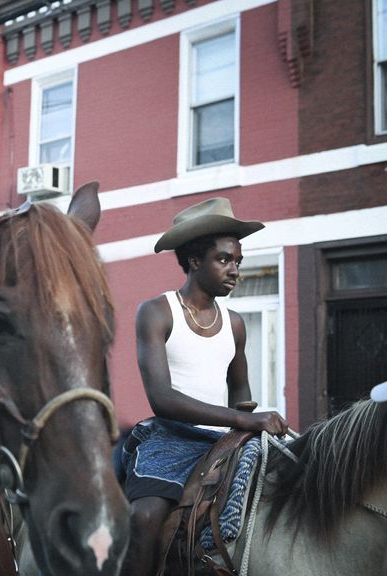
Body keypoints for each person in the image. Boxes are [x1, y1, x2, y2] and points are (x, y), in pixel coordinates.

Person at [120, 198, 289, 576]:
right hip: (169, 438)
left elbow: (241, 396)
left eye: (238, 261)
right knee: (145, 517)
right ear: (195, 261)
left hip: (223, 444)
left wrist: (248, 425)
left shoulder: (236, 323)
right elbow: (161, 399)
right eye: (224, 259)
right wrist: (244, 420)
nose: (235, 270)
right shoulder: (157, 311)